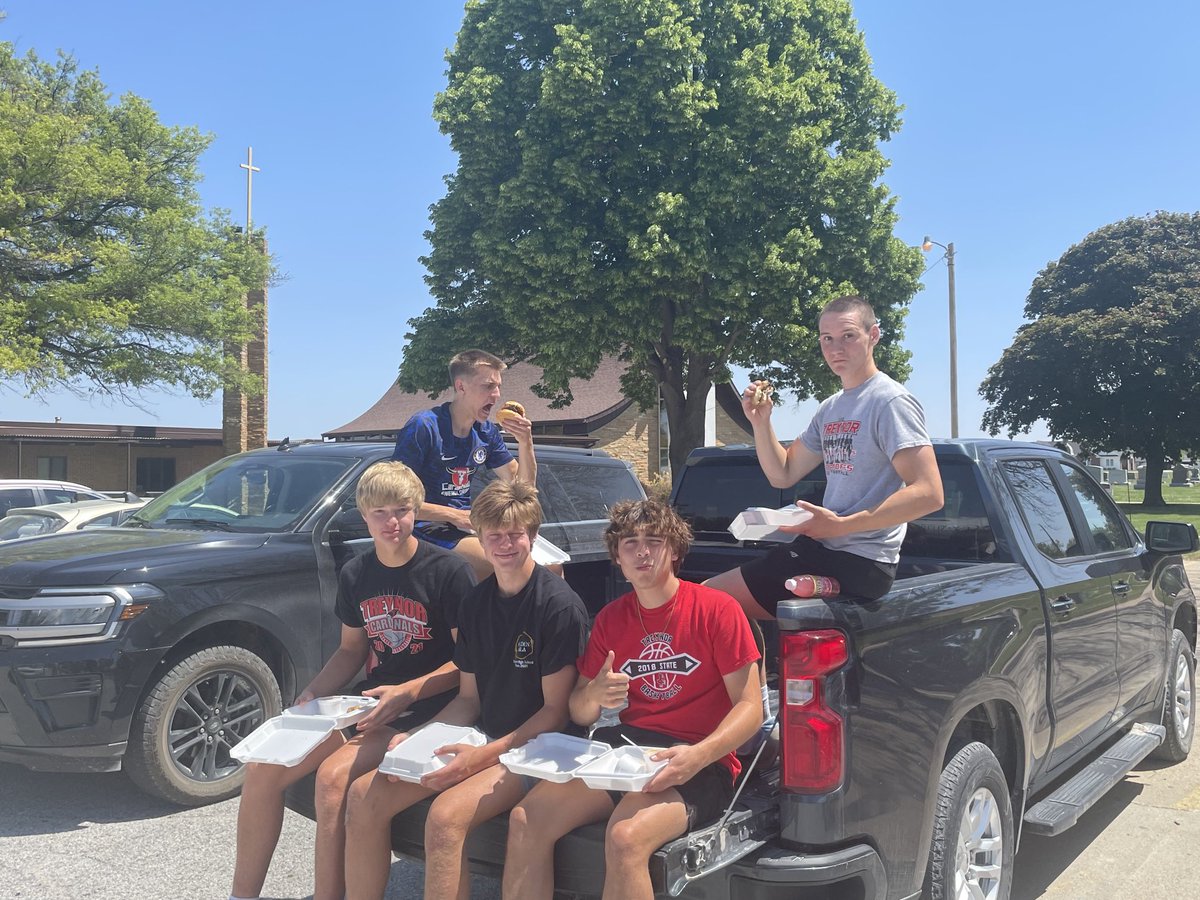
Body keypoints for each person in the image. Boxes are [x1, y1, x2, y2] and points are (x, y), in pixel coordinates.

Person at [229, 461, 474, 900]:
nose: (391, 521)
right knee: (263, 769)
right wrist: (310, 695)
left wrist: (409, 691)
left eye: (401, 509)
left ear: (417, 509)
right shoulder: (356, 573)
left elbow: (468, 664)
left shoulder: (447, 571)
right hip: (369, 707)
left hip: (428, 710)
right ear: (364, 514)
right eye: (379, 512)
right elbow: (350, 651)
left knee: (332, 778)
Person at [502, 499, 762, 900]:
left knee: (625, 837)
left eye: (654, 541)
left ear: (674, 551)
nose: (642, 551)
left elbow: (750, 709)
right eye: (630, 543)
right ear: (617, 559)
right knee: (526, 819)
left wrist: (699, 755)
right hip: (626, 752)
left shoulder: (717, 610)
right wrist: (594, 693)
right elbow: (577, 709)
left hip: (700, 762)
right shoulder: (610, 618)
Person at [343, 479, 588, 900]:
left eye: (516, 534)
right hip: (483, 736)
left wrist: (480, 758)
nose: (505, 544)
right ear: (479, 537)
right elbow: (468, 699)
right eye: (494, 535)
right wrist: (419, 738)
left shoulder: (558, 606)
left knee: (445, 817)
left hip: (539, 749)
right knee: (365, 794)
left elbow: (555, 712)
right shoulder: (476, 603)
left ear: (533, 536)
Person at [706, 295, 943, 617]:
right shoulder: (831, 408)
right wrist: (760, 423)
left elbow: (929, 494)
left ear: (873, 335)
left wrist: (841, 525)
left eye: (848, 336)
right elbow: (784, 473)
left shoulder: (890, 401)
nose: (836, 349)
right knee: (711, 607)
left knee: (704, 604)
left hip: (861, 561)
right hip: (822, 550)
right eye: (826, 339)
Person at [391, 348, 537, 581]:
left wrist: (525, 443)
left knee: (551, 570)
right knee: (508, 566)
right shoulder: (425, 426)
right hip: (425, 529)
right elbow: (394, 501)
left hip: (469, 528)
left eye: (498, 387)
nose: (497, 395)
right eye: (488, 386)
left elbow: (524, 489)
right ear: (461, 387)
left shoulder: (486, 432)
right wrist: (456, 515)